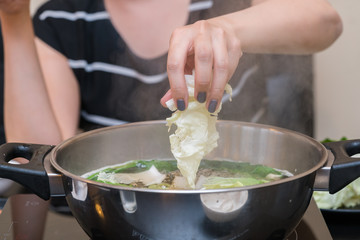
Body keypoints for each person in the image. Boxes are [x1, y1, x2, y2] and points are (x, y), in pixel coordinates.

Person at [0, 0, 342, 239]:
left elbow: (326, 22)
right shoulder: (61, 18)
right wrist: (13, 17)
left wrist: (226, 28)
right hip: (121, 216)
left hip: (247, 211)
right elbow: (43, 158)